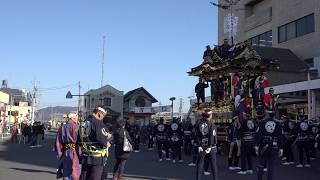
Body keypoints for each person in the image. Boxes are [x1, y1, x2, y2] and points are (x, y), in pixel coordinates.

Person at [80, 106, 112, 180]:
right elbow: (102, 140)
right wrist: (108, 141)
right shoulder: (97, 123)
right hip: (96, 158)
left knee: (84, 177)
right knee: (95, 177)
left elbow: (79, 139)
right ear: (99, 113)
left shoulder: (83, 123)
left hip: (85, 156)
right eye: (103, 115)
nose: (103, 118)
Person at [255, 112, 283, 180]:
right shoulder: (278, 124)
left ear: (267, 115)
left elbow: (258, 135)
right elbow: (280, 136)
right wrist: (281, 148)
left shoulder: (261, 123)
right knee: (271, 166)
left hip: (263, 147)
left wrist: (256, 145)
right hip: (274, 146)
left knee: (261, 165)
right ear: (274, 115)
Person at [55, 112, 81, 180]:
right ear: (72, 118)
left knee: (66, 170)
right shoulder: (77, 127)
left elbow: (58, 142)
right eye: (76, 117)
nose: (77, 118)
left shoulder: (62, 128)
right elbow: (80, 141)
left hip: (66, 150)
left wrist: (60, 153)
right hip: (75, 150)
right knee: (75, 170)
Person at [195, 111, 218, 180]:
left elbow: (196, 135)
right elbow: (212, 136)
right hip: (211, 147)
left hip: (202, 146)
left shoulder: (198, 123)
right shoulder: (211, 124)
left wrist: (199, 145)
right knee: (213, 165)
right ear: (209, 116)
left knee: (200, 164)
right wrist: (210, 146)